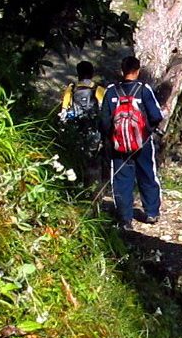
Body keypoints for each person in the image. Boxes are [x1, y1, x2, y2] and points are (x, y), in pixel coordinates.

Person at [100, 54, 165, 227]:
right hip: (142, 142)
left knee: (121, 180)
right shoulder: (144, 89)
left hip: (118, 145)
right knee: (148, 175)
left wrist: (112, 137)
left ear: (122, 71)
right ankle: (151, 213)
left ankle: (125, 218)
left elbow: (104, 120)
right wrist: (147, 131)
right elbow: (156, 115)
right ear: (137, 71)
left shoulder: (112, 91)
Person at [57, 59, 104, 189]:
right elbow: (105, 109)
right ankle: (94, 186)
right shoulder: (98, 89)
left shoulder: (71, 89)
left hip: (76, 129)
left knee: (78, 159)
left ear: (78, 74)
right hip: (94, 130)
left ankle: (77, 185)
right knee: (95, 159)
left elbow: (64, 110)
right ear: (92, 73)